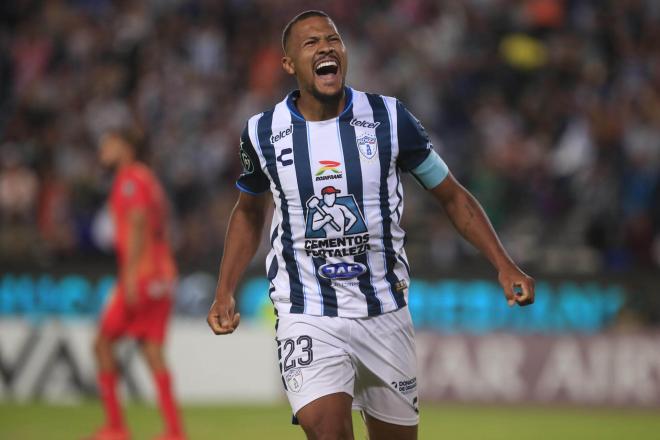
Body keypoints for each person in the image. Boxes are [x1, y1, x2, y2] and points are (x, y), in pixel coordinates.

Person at [207, 10, 535, 440]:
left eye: (333, 39)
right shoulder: (262, 132)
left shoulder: (390, 118)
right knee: (328, 432)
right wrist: (224, 288)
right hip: (307, 310)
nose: (326, 47)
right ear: (288, 64)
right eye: (311, 43)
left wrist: (503, 263)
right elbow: (248, 212)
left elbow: (451, 194)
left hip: (384, 311)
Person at [86, 129, 185, 440]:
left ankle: (116, 426)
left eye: (109, 144)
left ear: (126, 147)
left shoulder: (130, 178)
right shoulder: (148, 178)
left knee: (102, 344)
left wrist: (128, 277)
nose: (103, 151)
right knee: (151, 350)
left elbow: (140, 222)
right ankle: (174, 430)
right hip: (161, 275)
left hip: (142, 276)